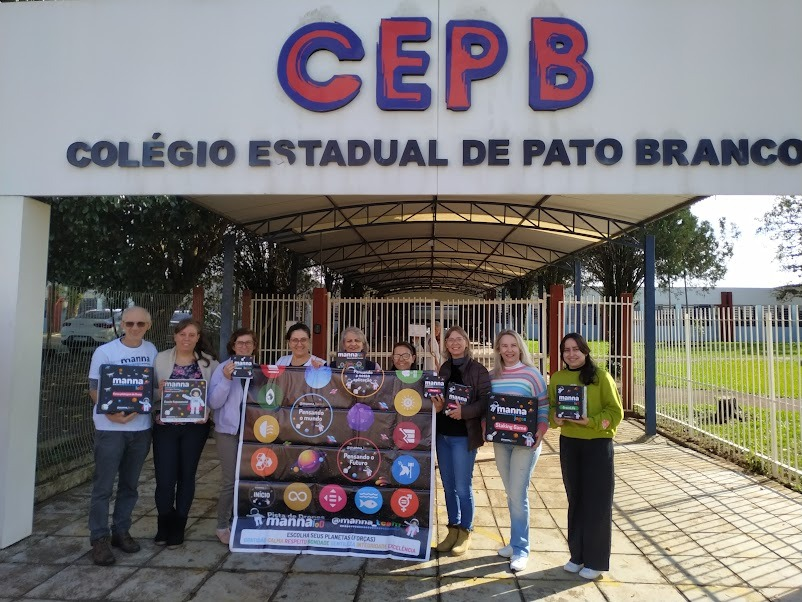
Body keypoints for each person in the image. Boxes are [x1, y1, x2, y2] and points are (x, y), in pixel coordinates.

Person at [549, 332, 623, 581]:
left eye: (576, 349)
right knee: (576, 500)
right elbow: (551, 407)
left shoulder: (601, 377)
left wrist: (590, 421)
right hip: (570, 444)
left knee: (597, 503)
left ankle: (596, 561)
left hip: (597, 445)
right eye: (566, 350)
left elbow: (615, 412)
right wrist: (555, 418)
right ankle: (577, 555)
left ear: (585, 351)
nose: (571, 354)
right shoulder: (558, 378)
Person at [87, 306, 158, 566]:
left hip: (140, 429)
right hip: (110, 429)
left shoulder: (151, 350)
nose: (135, 328)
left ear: (148, 325)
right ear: (122, 324)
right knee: (103, 487)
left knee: (130, 486)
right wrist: (111, 414)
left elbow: (151, 387)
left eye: (140, 324)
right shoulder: (105, 351)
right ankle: (99, 538)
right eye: (129, 323)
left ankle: (121, 531)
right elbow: (94, 389)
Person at [152, 319, 219, 548]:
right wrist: (158, 392)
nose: (186, 339)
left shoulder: (210, 363)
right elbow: (146, 391)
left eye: (192, 335)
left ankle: (179, 526)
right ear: (175, 336)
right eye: (182, 334)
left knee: (186, 476)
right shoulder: (160, 359)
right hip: (165, 427)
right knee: (164, 479)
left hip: (195, 428)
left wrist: (208, 410)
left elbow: (215, 395)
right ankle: (164, 521)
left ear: (198, 337)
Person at [490, 329, 549, 572]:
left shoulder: (532, 375)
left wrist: (541, 430)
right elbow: (489, 408)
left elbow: (543, 406)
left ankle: (522, 549)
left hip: (526, 443)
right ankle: (514, 543)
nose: (509, 350)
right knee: (511, 493)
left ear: (520, 347)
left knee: (518, 493)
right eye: (504, 345)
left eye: (513, 345)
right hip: (501, 442)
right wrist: (485, 426)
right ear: (498, 349)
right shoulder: (492, 376)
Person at [429, 325, 490, 556]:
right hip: (443, 435)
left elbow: (486, 401)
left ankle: (466, 531)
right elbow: (442, 399)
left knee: (463, 487)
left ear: (466, 342)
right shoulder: (444, 368)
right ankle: (452, 529)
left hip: (463, 436)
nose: (454, 343)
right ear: (445, 345)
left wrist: (465, 412)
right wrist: (438, 406)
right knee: (448, 486)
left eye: (458, 339)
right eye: (450, 340)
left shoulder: (478, 370)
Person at [208, 328, 258, 545]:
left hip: (254, 434)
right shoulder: (222, 369)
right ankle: (222, 525)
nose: (244, 347)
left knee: (251, 479)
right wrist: (227, 379)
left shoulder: (259, 370)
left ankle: (243, 518)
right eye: (240, 343)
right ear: (233, 346)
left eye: (248, 343)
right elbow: (214, 402)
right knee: (230, 480)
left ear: (254, 346)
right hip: (228, 432)